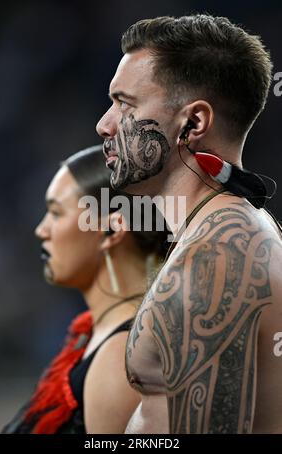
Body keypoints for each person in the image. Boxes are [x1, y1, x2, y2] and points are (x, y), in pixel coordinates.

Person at [96, 15, 282, 434]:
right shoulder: (233, 229)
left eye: (125, 104)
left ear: (194, 123)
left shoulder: (214, 262)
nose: (104, 125)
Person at [2, 145, 168, 434]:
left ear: (112, 230)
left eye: (56, 213)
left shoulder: (121, 360)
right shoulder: (100, 336)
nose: (41, 230)